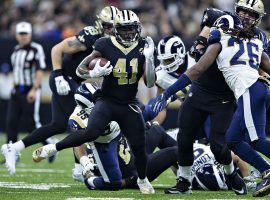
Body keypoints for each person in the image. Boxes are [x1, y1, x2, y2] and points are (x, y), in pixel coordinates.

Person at [152, 0, 270, 197]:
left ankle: (248, 173)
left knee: (247, 140)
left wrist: (167, 93)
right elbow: (209, 17)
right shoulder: (224, 26)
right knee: (229, 140)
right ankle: (185, 182)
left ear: (257, 19)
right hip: (209, 90)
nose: (246, 17)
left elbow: (197, 68)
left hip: (235, 93)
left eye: (252, 14)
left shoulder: (254, 38)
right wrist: (199, 40)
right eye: (243, 12)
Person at [31, 10, 156, 194]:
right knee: (90, 132)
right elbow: (81, 71)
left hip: (129, 102)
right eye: (124, 29)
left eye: (132, 29)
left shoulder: (144, 45)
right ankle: (52, 148)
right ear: (115, 30)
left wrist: (150, 58)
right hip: (107, 100)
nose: (129, 33)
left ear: (137, 29)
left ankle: (143, 179)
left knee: (139, 143)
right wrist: (93, 73)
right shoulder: (104, 43)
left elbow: (150, 82)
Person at [1, 6, 120, 175]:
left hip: (74, 80)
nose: (112, 30)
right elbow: (57, 49)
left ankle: (14, 147)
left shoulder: (113, 42)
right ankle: (80, 167)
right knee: (83, 120)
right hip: (64, 79)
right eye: (108, 26)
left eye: (115, 27)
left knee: (57, 125)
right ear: (100, 24)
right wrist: (58, 75)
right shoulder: (90, 36)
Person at [2, 21, 56, 160]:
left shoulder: (35, 49)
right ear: (17, 35)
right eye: (21, 33)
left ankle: (50, 147)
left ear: (30, 35)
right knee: (11, 122)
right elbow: (17, 71)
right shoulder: (16, 50)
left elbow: (39, 71)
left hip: (30, 90)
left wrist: (34, 89)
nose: (24, 36)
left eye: (26, 33)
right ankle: (12, 154)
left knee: (32, 124)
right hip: (16, 90)